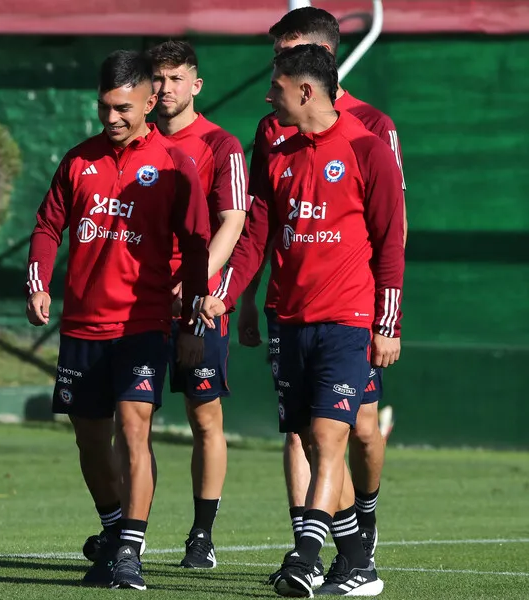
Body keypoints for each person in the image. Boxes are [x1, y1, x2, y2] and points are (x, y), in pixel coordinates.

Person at [207, 44, 404, 596]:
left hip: (349, 319)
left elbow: (391, 245)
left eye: (277, 86)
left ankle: (305, 556)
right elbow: (255, 237)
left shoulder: (369, 151)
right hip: (287, 320)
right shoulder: (277, 153)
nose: (269, 96)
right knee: (313, 442)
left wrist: (387, 323)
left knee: (329, 434)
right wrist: (227, 293)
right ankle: (359, 562)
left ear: (306, 90)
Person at [26, 49, 213, 591]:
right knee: (90, 440)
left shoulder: (176, 164)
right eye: (105, 107)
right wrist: (38, 280)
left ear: (151, 100)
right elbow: (46, 225)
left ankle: (129, 549)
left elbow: (198, 247)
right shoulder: (78, 160)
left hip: (143, 326)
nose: (112, 118)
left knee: (135, 429)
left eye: (124, 108)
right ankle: (112, 530)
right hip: (82, 328)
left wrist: (193, 324)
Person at [146, 40, 250, 569]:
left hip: (199, 306)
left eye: (175, 78)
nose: (165, 89)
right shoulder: (133, 143)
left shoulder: (220, 144)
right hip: (135, 306)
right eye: (157, 79)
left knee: (204, 418)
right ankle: (127, 534)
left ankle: (202, 536)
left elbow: (234, 221)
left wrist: (195, 285)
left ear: (196, 84)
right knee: (131, 420)